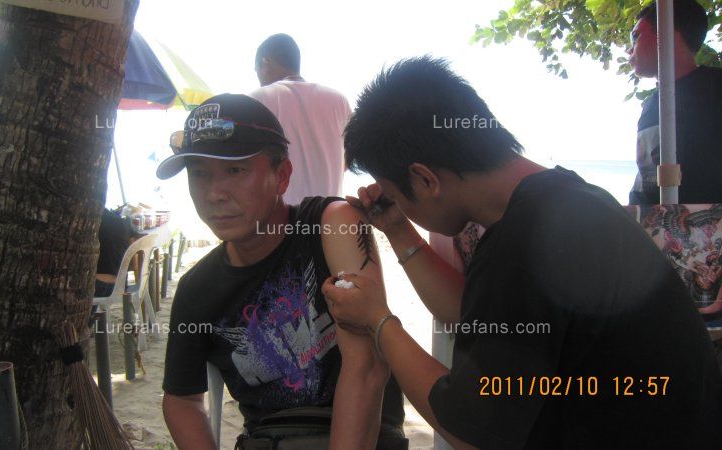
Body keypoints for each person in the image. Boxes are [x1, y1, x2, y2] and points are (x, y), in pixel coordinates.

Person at [321, 56, 722, 449]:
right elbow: (483, 320)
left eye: (396, 194)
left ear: (424, 179)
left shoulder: (523, 242)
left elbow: (470, 434)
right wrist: (397, 228)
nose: (397, 204)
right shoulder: (571, 200)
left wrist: (379, 322)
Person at [157, 94, 406, 450]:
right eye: (199, 174)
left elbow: (367, 366)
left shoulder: (332, 225)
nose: (214, 194)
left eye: (235, 170)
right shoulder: (197, 289)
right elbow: (181, 399)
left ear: (282, 176)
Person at [627, 0, 722, 205]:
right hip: (654, 221)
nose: (629, 49)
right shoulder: (651, 106)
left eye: (635, 36)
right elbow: (647, 181)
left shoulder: (716, 88)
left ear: (666, 30)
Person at [250, 33, 351, 205]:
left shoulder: (259, 99)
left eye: (256, 71)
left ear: (265, 63)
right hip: (330, 213)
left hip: (281, 217)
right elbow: (352, 156)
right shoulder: (339, 101)